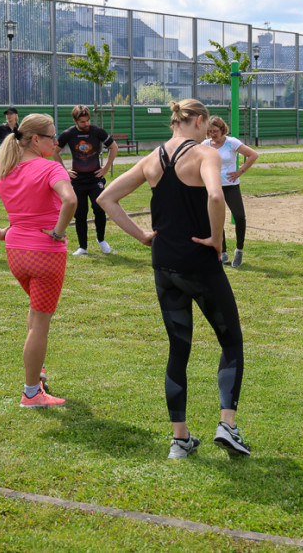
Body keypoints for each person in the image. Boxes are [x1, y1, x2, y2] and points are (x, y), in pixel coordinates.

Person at [98, 99, 250, 459]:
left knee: (178, 347)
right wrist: (216, 238)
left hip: (164, 264)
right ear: (198, 120)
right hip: (199, 262)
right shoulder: (204, 154)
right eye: (206, 124)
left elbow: (107, 198)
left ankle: (179, 440)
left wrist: (143, 236)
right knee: (230, 341)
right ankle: (227, 424)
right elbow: (216, 195)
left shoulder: (153, 158)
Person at [0, 114, 76, 407]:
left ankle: (36, 373)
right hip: (46, 254)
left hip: (17, 254)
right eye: (53, 137)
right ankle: (31, 393)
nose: (57, 143)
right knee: (40, 323)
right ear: (36, 140)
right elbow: (70, 200)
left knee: (35, 313)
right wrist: (58, 232)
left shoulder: (4, 170)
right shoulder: (50, 168)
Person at [55, 105, 118, 256]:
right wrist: (65, 170)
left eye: (88, 120)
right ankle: (83, 247)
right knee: (80, 213)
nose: (86, 124)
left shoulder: (98, 131)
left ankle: (101, 240)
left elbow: (114, 147)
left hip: (95, 179)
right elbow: (54, 152)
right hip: (77, 181)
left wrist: (106, 168)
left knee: (99, 208)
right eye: (82, 122)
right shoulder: (68, 134)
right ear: (75, 121)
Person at [202, 116, 258, 267]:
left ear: (222, 130)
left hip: (231, 186)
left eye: (215, 131)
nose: (212, 134)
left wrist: (240, 171)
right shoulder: (206, 144)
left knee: (239, 216)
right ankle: (223, 252)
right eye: (210, 131)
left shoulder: (232, 142)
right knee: (217, 219)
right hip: (213, 187)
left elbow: (253, 155)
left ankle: (239, 251)